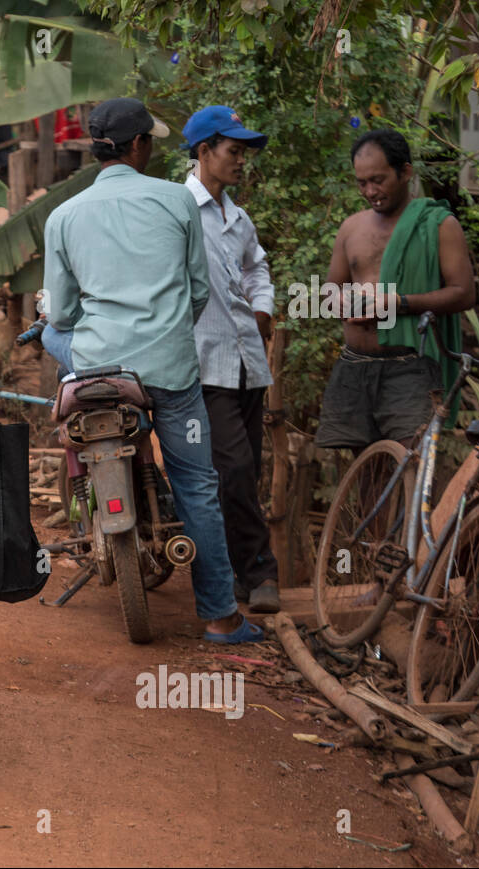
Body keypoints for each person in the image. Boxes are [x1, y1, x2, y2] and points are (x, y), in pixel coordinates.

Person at [41, 97, 260, 644]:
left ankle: (84, 482)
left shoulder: (63, 216)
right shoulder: (175, 201)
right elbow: (199, 291)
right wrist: (164, 333)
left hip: (98, 373)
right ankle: (219, 615)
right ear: (139, 145)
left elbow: (63, 312)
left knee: (47, 331)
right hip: (172, 374)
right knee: (197, 484)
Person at [315, 129, 476, 451]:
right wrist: (343, 304)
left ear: (405, 172)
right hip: (355, 365)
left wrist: (399, 303)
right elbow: (329, 294)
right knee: (364, 475)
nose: (370, 191)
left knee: (407, 465)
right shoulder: (351, 227)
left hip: (410, 368)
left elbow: (463, 293)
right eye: (362, 183)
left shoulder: (439, 225)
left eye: (378, 180)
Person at [181, 105, 280, 614]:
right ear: (204, 152)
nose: (242, 161)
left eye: (244, 153)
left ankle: (238, 576)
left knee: (245, 470)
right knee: (234, 468)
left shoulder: (237, 218)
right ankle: (261, 571)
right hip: (204, 364)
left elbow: (256, 269)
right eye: (234, 151)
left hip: (247, 361)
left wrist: (262, 310)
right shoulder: (175, 207)